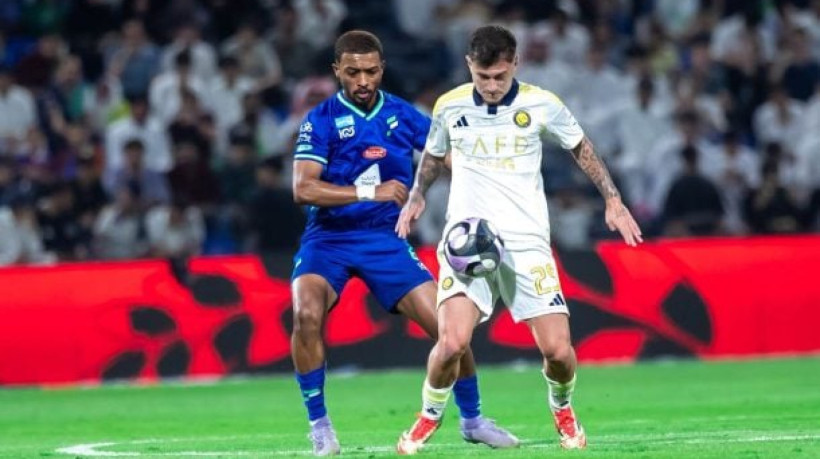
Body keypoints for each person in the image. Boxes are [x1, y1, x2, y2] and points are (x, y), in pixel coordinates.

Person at [394, 25, 643, 454]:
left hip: (527, 244)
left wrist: (613, 199)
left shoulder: (542, 103)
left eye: (500, 77)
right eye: (483, 77)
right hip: (467, 243)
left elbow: (580, 147)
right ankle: (428, 416)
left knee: (559, 352)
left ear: (515, 65)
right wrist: (417, 195)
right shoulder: (449, 107)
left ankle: (562, 406)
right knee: (452, 341)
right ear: (470, 65)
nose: (491, 86)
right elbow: (434, 155)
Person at [290, 30, 518, 456]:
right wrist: (369, 193)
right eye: (353, 72)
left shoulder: (402, 114)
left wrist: (489, 186)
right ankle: (320, 427)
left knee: (451, 332)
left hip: (385, 240)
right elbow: (303, 189)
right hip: (329, 239)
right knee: (305, 314)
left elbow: (450, 157)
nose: (363, 80)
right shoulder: (319, 120)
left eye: (371, 71)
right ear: (337, 70)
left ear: (382, 69)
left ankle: (473, 420)